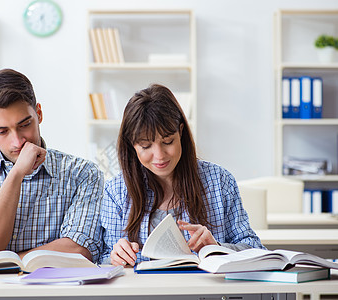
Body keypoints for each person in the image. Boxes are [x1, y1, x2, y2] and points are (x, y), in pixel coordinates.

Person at [0, 68, 104, 263]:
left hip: (56, 292)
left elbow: (79, 251)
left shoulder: (83, 174)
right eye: (2, 132)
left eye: (25, 124)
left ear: (38, 114)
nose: (17, 141)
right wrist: (17, 174)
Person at [100, 83, 265, 266]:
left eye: (168, 141)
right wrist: (115, 257)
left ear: (180, 131)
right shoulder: (116, 191)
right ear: (132, 145)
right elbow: (103, 257)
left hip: (204, 293)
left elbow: (255, 249)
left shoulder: (219, 181)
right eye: (146, 146)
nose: (160, 155)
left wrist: (218, 248)